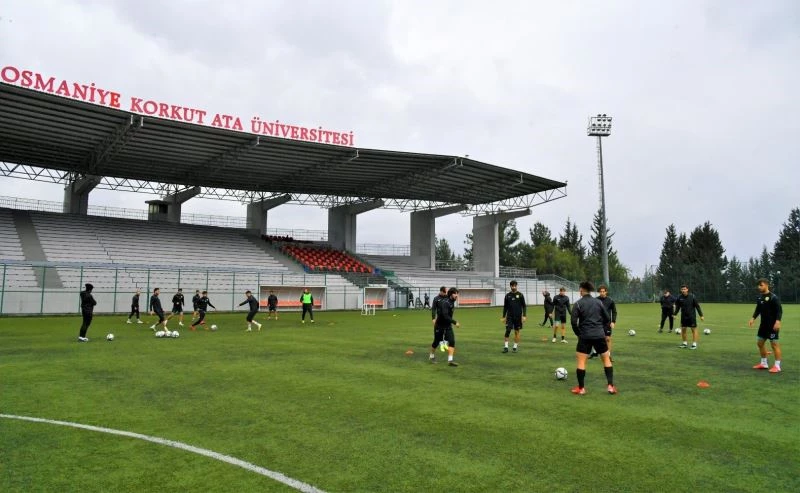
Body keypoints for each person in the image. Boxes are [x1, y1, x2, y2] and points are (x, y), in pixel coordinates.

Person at [570, 281, 616, 395]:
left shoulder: (578, 304)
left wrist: (578, 334)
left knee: (581, 361)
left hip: (585, 336)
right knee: (606, 359)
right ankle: (610, 386)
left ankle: (581, 388)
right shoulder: (599, 302)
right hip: (599, 335)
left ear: (581, 290)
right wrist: (600, 329)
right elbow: (606, 319)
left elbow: (573, 322)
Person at [749, 278, 783, 373]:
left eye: (761, 285)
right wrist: (753, 318)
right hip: (763, 325)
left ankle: (777, 366)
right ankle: (764, 363)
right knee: (760, 343)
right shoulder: (760, 298)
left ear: (767, 285)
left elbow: (779, 311)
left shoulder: (773, 297)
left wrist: (778, 321)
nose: (759, 287)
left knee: (774, 345)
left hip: (772, 326)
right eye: (758, 285)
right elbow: (758, 309)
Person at [430, 287, 460, 367]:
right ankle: (431, 356)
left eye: (457, 294)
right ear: (451, 294)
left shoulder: (452, 301)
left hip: (447, 326)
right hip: (439, 326)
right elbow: (445, 316)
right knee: (436, 342)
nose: (457, 295)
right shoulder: (446, 303)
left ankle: (450, 360)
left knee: (452, 341)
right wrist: (455, 322)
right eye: (455, 293)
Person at [674, 284, 704, 349]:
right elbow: (677, 307)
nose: (683, 290)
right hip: (683, 316)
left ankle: (694, 344)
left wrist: (701, 315)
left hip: (691, 316)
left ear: (687, 289)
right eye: (682, 289)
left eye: (684, 289)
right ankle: (684, 343)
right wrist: (675, 314)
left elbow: (697, 306)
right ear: (680, 290)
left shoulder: (692, 296)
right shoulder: (679, 297)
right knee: (683, 329)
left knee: (693, 329)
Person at [592, 285, 617, 360]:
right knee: (596, 338)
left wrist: (613, 322)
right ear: (599, 292)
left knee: (608, 339)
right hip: (597, 322)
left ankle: (608, 355)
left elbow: (614, 312)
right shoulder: (595, 300)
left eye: (603, 291)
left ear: (606, 292)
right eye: (601, 291)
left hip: (607, 323)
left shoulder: (610, 300)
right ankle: (595, 352)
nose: (602, 293)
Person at [501, 280, 527, 353]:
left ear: (516, 286)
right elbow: (505, 307)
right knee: (508, 330)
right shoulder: (507, 296)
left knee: (516, 332)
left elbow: (524, 306)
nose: (514, 287)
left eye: (515, 286)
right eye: (512, 286)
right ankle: (506, 347)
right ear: (510, 286)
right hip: (509, 316)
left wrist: (524, 316)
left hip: (518, 317)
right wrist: (503, 316)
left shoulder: (520, 295)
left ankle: (515, 347)